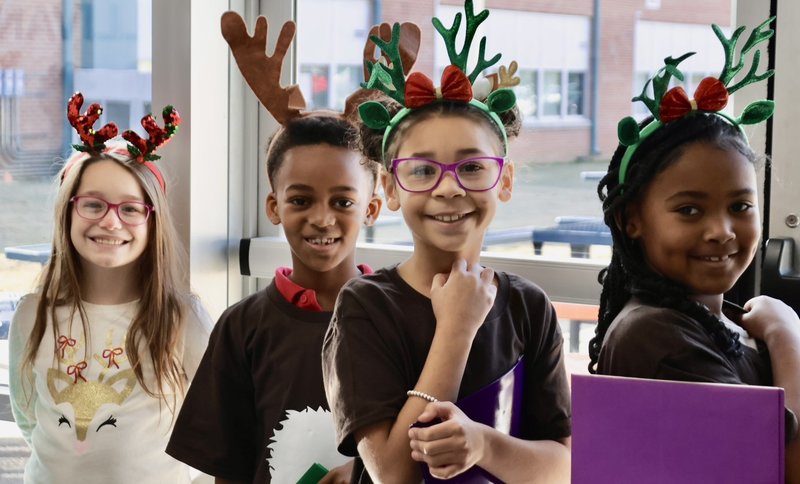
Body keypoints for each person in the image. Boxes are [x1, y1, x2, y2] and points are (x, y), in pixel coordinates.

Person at [322, 2, 571, 482]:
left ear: (505, 181)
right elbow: (394, 475)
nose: (450, 187)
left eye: (472, 166)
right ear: (390, 188)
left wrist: (484, 444)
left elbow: (564, 467)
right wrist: (456, 328)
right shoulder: (365, 306)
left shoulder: (529, 307)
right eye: (422, 170)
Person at [165, 11, 383, 484]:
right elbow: (226, 467)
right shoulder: (242, 327)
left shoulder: (397, 317)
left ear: (372, 208)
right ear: (274, 207)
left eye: (343, 201)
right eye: (300, 200)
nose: (322, 218)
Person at [587, 18, 800, 481]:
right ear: (631, 221)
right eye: (689, 210)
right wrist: (788, 338)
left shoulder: (722, 322)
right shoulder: (655, 338)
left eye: (740, 206)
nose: (721, 231)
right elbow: (784, 467)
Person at [9, 93, 213, 483]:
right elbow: (29, 417)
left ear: (153, 223)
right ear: (68, 211)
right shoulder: (32, 315)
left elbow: (219, 424)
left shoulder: (182, 318)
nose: (110, 222)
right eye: (93, 204)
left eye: (130, 209)